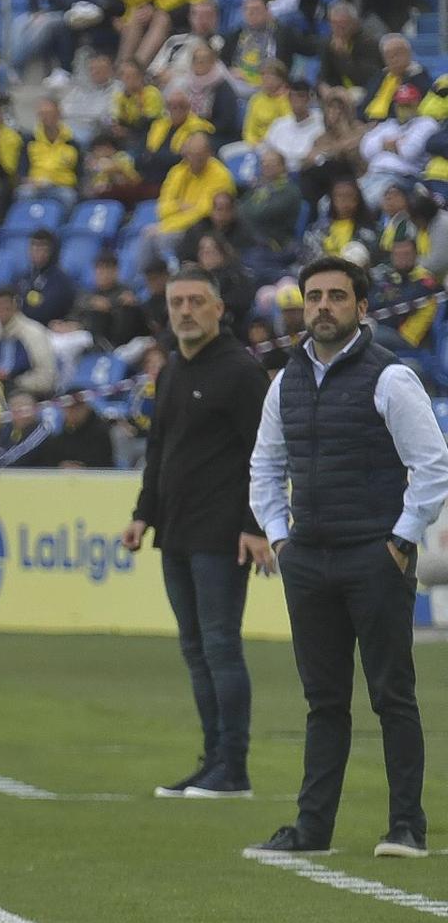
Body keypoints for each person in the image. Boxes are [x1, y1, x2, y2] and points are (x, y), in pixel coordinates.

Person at [247, 256, 448, 859]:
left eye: (337, 296)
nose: (323, 307)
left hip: (374, 556)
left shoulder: (392, 377)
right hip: (308, 558)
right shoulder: (285, 379)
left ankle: (406, 827)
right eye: (314, 297)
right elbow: (265, 465)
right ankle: (312, 831)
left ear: (362, 309)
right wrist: (280, 537)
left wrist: (401, 540)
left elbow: (432, 464)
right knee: (324, 701)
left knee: (392, 694)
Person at [122, 270, 274, 801]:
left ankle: (234, 768)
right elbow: (159, 451)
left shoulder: (240, 372)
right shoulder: (170, 372)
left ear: (217, 309)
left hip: (223, 534)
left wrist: (255, 526)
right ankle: (212, 761)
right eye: (176, 302)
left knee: (220, 647)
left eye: (195, 301)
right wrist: (144, 514)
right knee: (195, 649)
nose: (185, 311)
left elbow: (266, 456)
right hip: (177, 531)